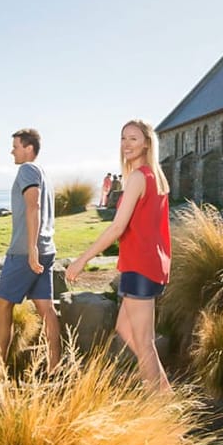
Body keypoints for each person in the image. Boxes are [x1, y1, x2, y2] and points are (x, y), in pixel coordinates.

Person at [67, 120, 171, 392]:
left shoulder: (139, 178)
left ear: (147, 143)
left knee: (144, 342)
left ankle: (163, 407)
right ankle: (165, 391)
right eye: (124, 138)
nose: (127, 144)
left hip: (141, 266)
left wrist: (82, 260)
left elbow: (116, 227)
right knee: (125, 329)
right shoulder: (152, 176)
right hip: (142, 264)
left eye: (134, 139)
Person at [0, 128, 61, 375]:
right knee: (45, 308)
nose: (12, 150)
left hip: (26, 253)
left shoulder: (27, 170)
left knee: (2, 306)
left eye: (16, 146)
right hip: (46, 250)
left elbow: (33, 207)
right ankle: (56, 368)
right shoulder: (43, 173)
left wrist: (31, 249)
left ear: (29, 148)